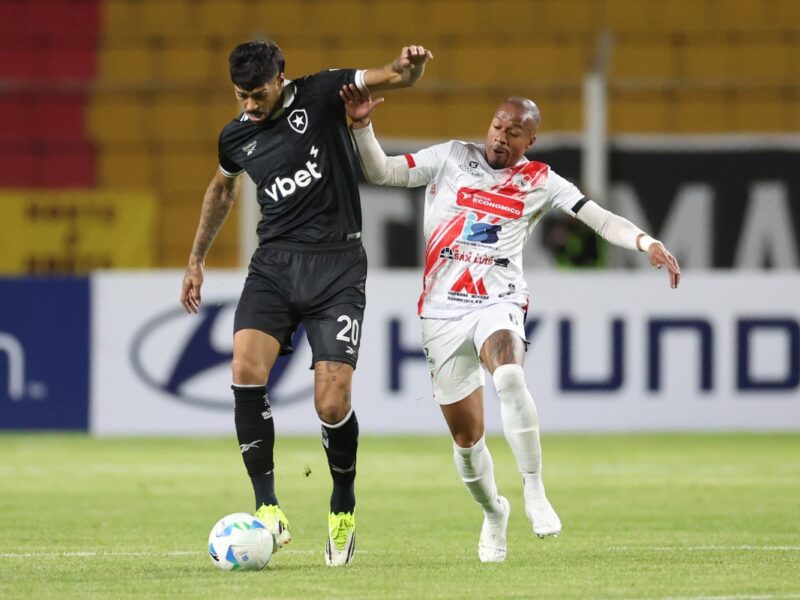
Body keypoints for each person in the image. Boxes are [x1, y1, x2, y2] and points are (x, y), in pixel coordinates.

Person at [340, 85, 681, 563]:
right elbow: (381, 170)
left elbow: (599, 219)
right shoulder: (451, 157)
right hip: (440, 312)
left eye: (514, 132)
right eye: (498, 126)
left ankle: (534, 490)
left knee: (509, 374)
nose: (501, 137)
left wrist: (646, 242)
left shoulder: (539, 180)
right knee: (466, 440)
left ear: (530, 142)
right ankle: (494, 512)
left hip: (496, 301)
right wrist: (361, 126)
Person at [179, 40, 433, 567]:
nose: (249, 105)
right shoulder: (237, 136)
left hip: (337, 265)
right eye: (241, 95)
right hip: (274, 264)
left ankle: (342, 507)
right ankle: (267, 505)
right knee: (245, 368)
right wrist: (196, 258)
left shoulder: (321, 93)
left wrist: (407, 71)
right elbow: (221, 190)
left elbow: (388, 76)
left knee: (331, 403)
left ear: (282, 78)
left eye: (257, 94)